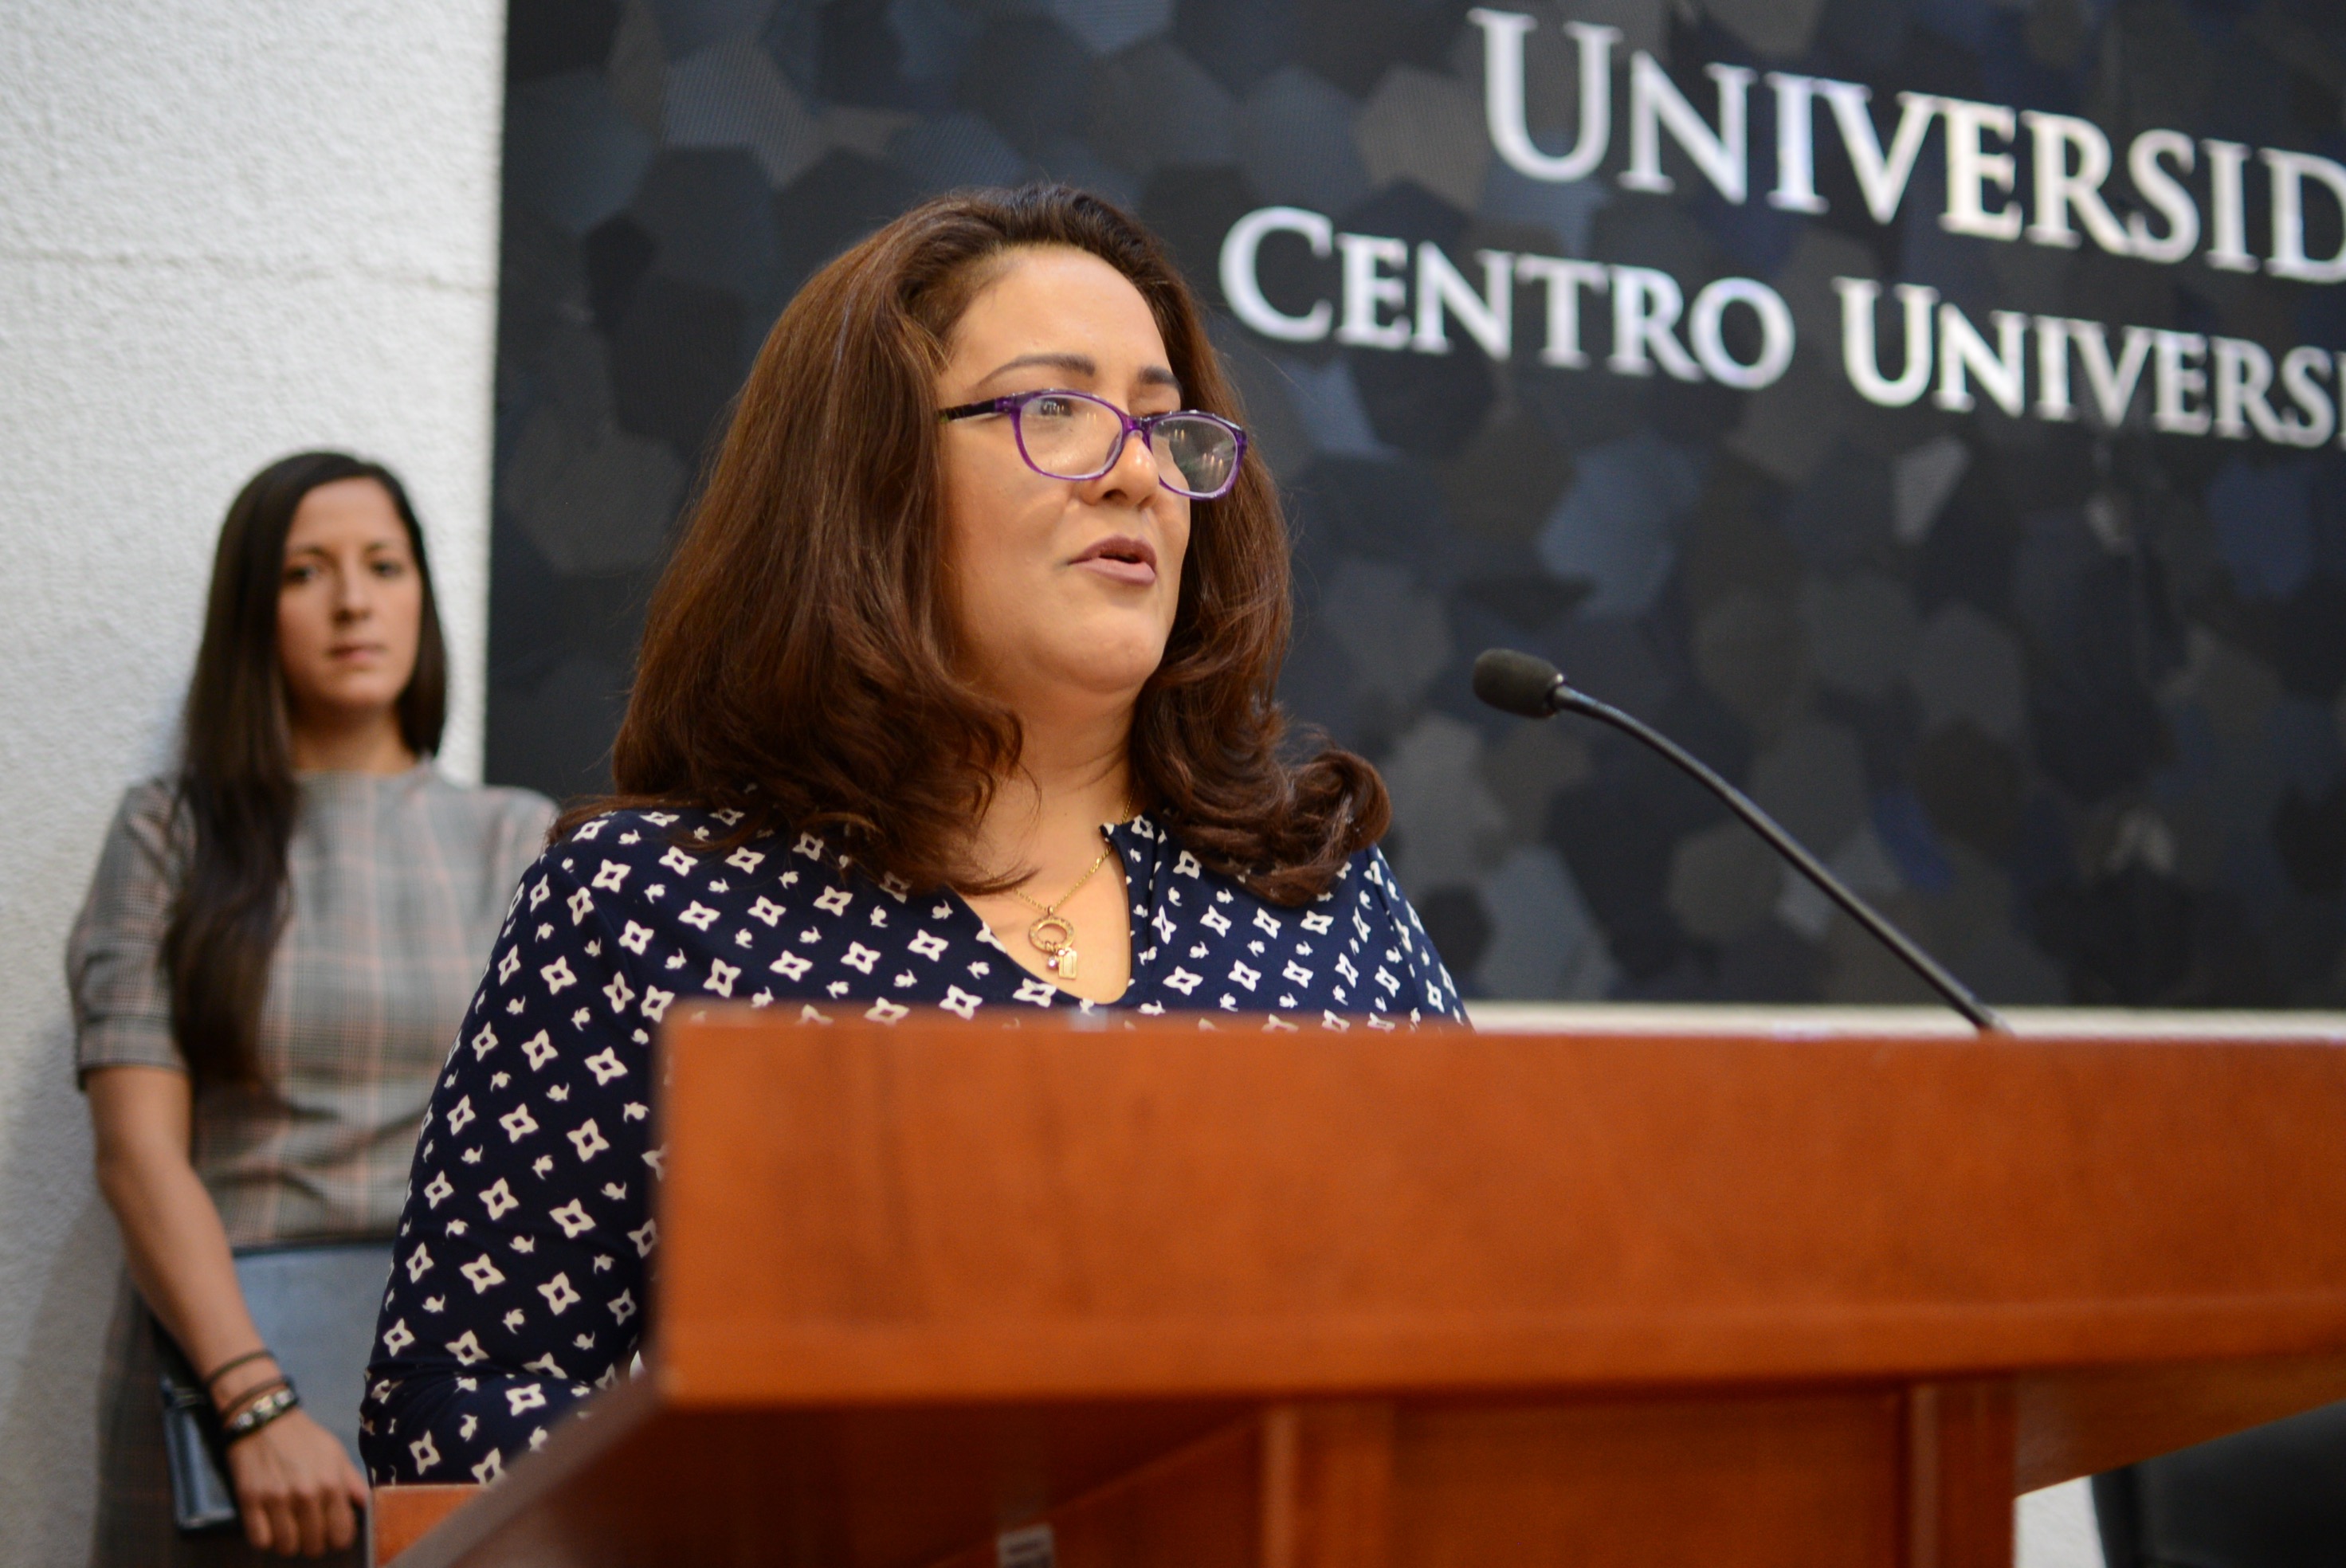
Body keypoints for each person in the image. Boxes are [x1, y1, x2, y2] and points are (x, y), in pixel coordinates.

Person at [358, 184, 1463, 1487]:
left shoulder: (1326, 907)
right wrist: (837, 1496)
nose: (1134, 473)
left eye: (1167, 431)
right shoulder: (646, 907)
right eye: (1056, 409)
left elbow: (1482, 1340)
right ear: (869, 477)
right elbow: (452, 1408)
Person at [69, 453, 555, 1561]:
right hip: (220, 1401)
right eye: (304, 573)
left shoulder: (517, 839)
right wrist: (258, 1407)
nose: (352, 601)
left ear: (422, 600)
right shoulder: (170, 837)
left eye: (384, 566)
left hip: (457, 1397)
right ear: (252, 612)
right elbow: (138, 1156)